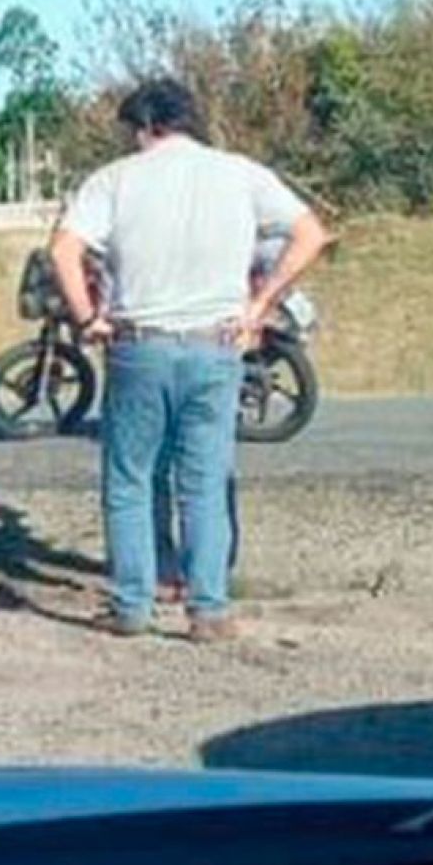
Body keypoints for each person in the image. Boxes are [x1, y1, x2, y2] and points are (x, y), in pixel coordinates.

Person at [51, 78, 328, 639]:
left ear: (142, 127)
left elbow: (63, 248)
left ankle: (133, 603)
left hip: (139, 342)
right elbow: (310, 233)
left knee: (131, 477)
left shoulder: (115, 180)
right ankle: (209, 608)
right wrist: (258, 305)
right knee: (204, 478)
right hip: (216, 342)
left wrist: (87, 319)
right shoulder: (241, 173)